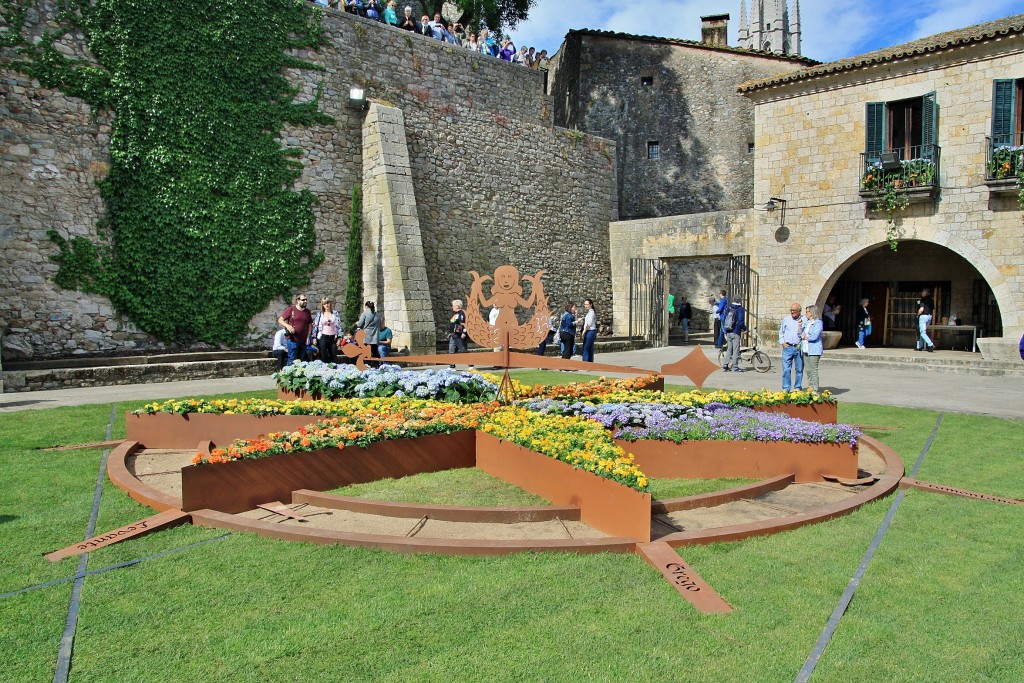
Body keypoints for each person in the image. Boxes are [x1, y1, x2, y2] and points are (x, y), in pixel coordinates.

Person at [278, 294, 314, 367]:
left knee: (300, 361)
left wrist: (308, 337)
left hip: (303, 340)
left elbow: (310, 325)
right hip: (292, 340)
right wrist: (288, 326)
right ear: (298, 300)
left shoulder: (307, 312)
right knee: (291, 360)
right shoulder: (291, 310)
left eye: (306, 300)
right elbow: (280, 320)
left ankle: (297, 377)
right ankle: (288, 376)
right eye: (303, 300)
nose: (305, 301)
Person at [778, 302, 805, 391]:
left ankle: (797, 387)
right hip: (788, 347)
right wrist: (783, 343)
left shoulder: (804, 319)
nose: (792, 312)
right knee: (786, 369)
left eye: (794, 311)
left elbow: (805, 333)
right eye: (791, 310)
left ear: (799, 311)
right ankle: (786, 388)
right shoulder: (786, 319)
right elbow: (781, 332)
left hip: (798, 347)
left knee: (799, 369)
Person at [802, 305, 824, 392]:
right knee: (808, 370)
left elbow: (815, 336)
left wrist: (806, 337)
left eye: (807, 311)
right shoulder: (807, 323)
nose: (806, 313)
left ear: (812, 313)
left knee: (813, 369)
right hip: (806, 348)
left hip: (814, 349)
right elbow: (801, 333)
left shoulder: (818, 323)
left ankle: (815, 388)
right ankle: (810, 386)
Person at [314, 297, 342, 364]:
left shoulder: (335, 313)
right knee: (323, 356)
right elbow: (315, 326)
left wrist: (339, 337)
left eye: (328, 303)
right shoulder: (320, 314)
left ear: (330, 304)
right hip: (323, 337)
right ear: (322, 305)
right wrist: (314, 337)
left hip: (332, 337)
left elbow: (339, 326)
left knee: (334, 356)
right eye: (324, 304)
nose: (326, 305)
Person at [722, 297, 745, 372]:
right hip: (736, 331)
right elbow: (741, 321)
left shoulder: (729, 307)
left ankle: (725, 365)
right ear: (739, 300)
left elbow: (725, 318)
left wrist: (725, 330)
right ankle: (735, 367)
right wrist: (744, 328)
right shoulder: (740, 309)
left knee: (729, 349)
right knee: (735, 350)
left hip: (728, 330)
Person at [916, 288, 936, 352]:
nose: (922, 293)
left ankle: (930, 345)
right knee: (923, 332)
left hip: (923, 316)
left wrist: (917, 314)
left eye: (923, 292)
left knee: (922, 332)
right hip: (929, 317)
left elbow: (921, 309)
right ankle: (920, 346)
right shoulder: (931, 300)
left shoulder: (923, 299)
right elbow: (933, 309)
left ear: (925, 293)